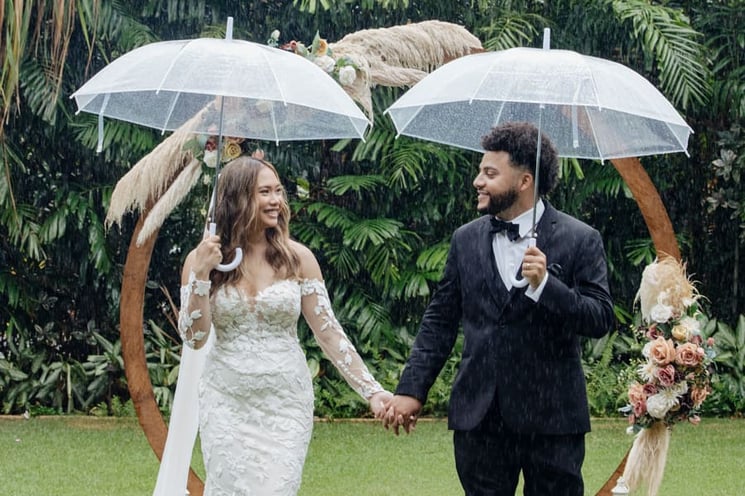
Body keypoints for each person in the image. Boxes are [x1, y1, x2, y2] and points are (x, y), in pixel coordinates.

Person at [382, 122, 615, 496]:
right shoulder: (465, 239)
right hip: (480, 418)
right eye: (480, 171)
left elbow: (601, 318)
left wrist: (547, 287)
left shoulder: (580, 239)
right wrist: (412, 390)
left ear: (524, 181)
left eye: (490, 173)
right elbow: (439, 322)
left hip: (553, 420)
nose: (478, 181)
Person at [164, 154, 391, 495]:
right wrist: (200, 274)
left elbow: (328, 333)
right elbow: (195, 339)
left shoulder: (298, 259)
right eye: (265, 192)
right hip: (226, 401)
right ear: (238, 199)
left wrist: (372, 392)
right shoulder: (202, 261)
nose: (276, 201)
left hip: (285, 403)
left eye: (278, 191)